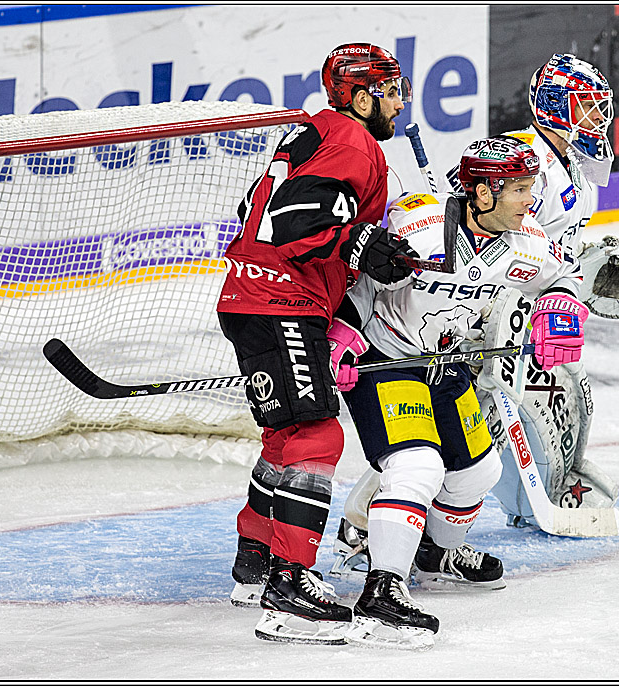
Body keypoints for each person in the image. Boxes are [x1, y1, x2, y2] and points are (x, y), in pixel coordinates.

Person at [330, 135, 587, 648]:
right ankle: (382, 592)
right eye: (518, 188)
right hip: (387, 360)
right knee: (418, 466)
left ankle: (435, 554)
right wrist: (342, 333)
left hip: (449, 366)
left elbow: (561, 278)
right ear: (483, 194)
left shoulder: (528, 241)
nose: (530, 199)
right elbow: (357, 281)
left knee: (479, 472)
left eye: (530, 185)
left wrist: (560, 308)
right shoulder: (415, 225)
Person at [216, 42, 418, 645]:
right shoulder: (354, 144)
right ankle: (291, 587)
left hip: (251, 297)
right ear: (361, 97)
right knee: (317, 435)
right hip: (282, 299)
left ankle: (256, 556)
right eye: (389, 90)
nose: (399, 100)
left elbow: (258, 212)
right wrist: (361, 247)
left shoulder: (314, 133)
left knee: (284, 437)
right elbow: (293, 222)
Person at [441, 53, 619, 529]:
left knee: (568, 394)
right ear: (558, 107)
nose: (599, 117)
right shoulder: (520, 157)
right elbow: (475, 229)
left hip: (533, 305)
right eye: (588, 106)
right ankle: (374, 510)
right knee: (461, 414)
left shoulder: (577, 165)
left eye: (601, 106)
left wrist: (576, 268)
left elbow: (554, 243)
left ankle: (553, 490)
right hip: (487, 308)